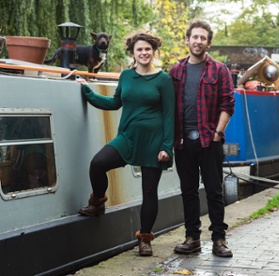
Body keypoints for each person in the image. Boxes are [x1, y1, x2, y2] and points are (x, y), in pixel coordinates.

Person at [76, 31, 175, 257]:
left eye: (147, 49)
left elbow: (169, 116)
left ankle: (145, 239)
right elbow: (115, 103)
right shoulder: (126, 76)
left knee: (149, 192)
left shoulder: (164, 80)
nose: (144, 53)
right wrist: (87, 91)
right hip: (127, 137)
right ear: (133, 52)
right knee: (98, 163)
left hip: (153, 142)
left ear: (153, 51)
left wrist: (166, 147)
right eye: (139, 49)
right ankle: (98, 201)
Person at [168, 19, 235, 258]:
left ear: (209, 43)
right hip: (183, 141)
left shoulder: (220, 70)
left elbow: (228, 103)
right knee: (188, 191)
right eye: (194, 37)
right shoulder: (175, 71)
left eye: (202, 38)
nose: (198, 41)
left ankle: (219, 239)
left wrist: (218, 132)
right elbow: (167, 106)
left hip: (210, 141)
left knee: (214, 191)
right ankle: (192, 238)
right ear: (187, 40)